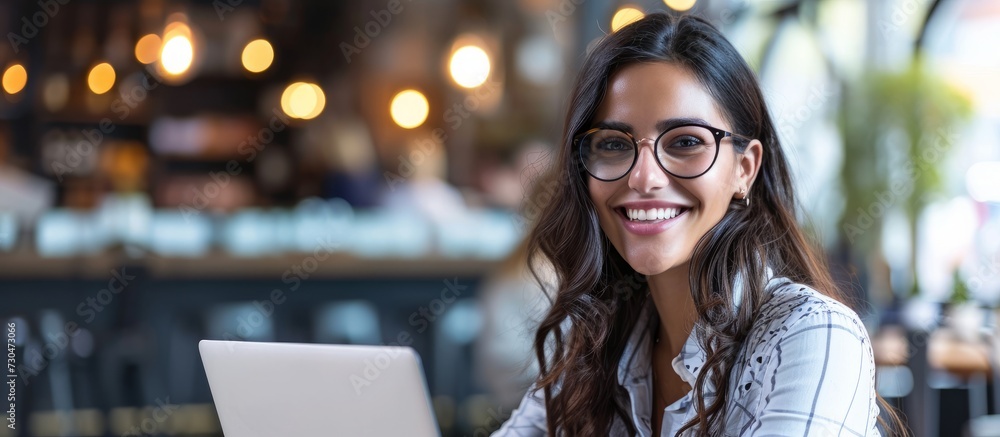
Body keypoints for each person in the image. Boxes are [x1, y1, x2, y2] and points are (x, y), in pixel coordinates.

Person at [491, 13, 909, 437]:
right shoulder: (596, 347)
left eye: (686, 142)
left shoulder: (812, 335)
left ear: (744, 170)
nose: (643, 177)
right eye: (614, 145)